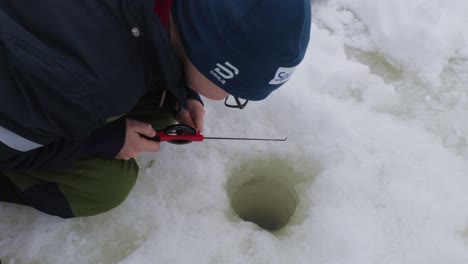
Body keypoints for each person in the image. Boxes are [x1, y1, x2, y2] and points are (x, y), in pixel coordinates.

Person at [0, 0, 311, 218]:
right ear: (213, 62)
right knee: (106, 186)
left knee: (162, 107)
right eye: (233, 92)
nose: (229, 97)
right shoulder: (84, 86)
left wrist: (185, 90)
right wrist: (102, 141)